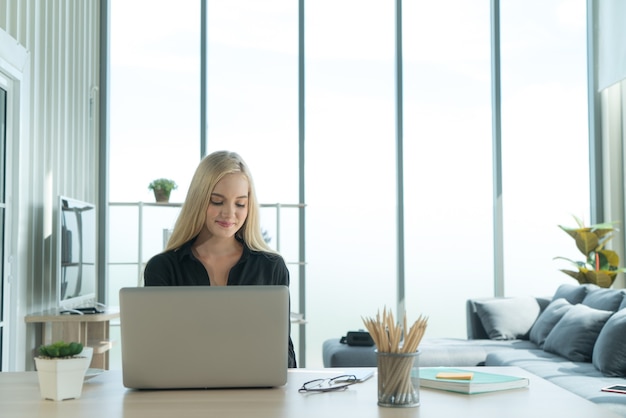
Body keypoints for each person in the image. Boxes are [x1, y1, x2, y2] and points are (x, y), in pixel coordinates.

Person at [143, 150, 297, 368]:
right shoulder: (163, 268)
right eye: (217, 201)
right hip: (184, 394)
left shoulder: (271, 267)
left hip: (256, 395)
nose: (229, 213)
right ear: (199, 200)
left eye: (240, 204)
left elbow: (285, 355)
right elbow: (155, 351)